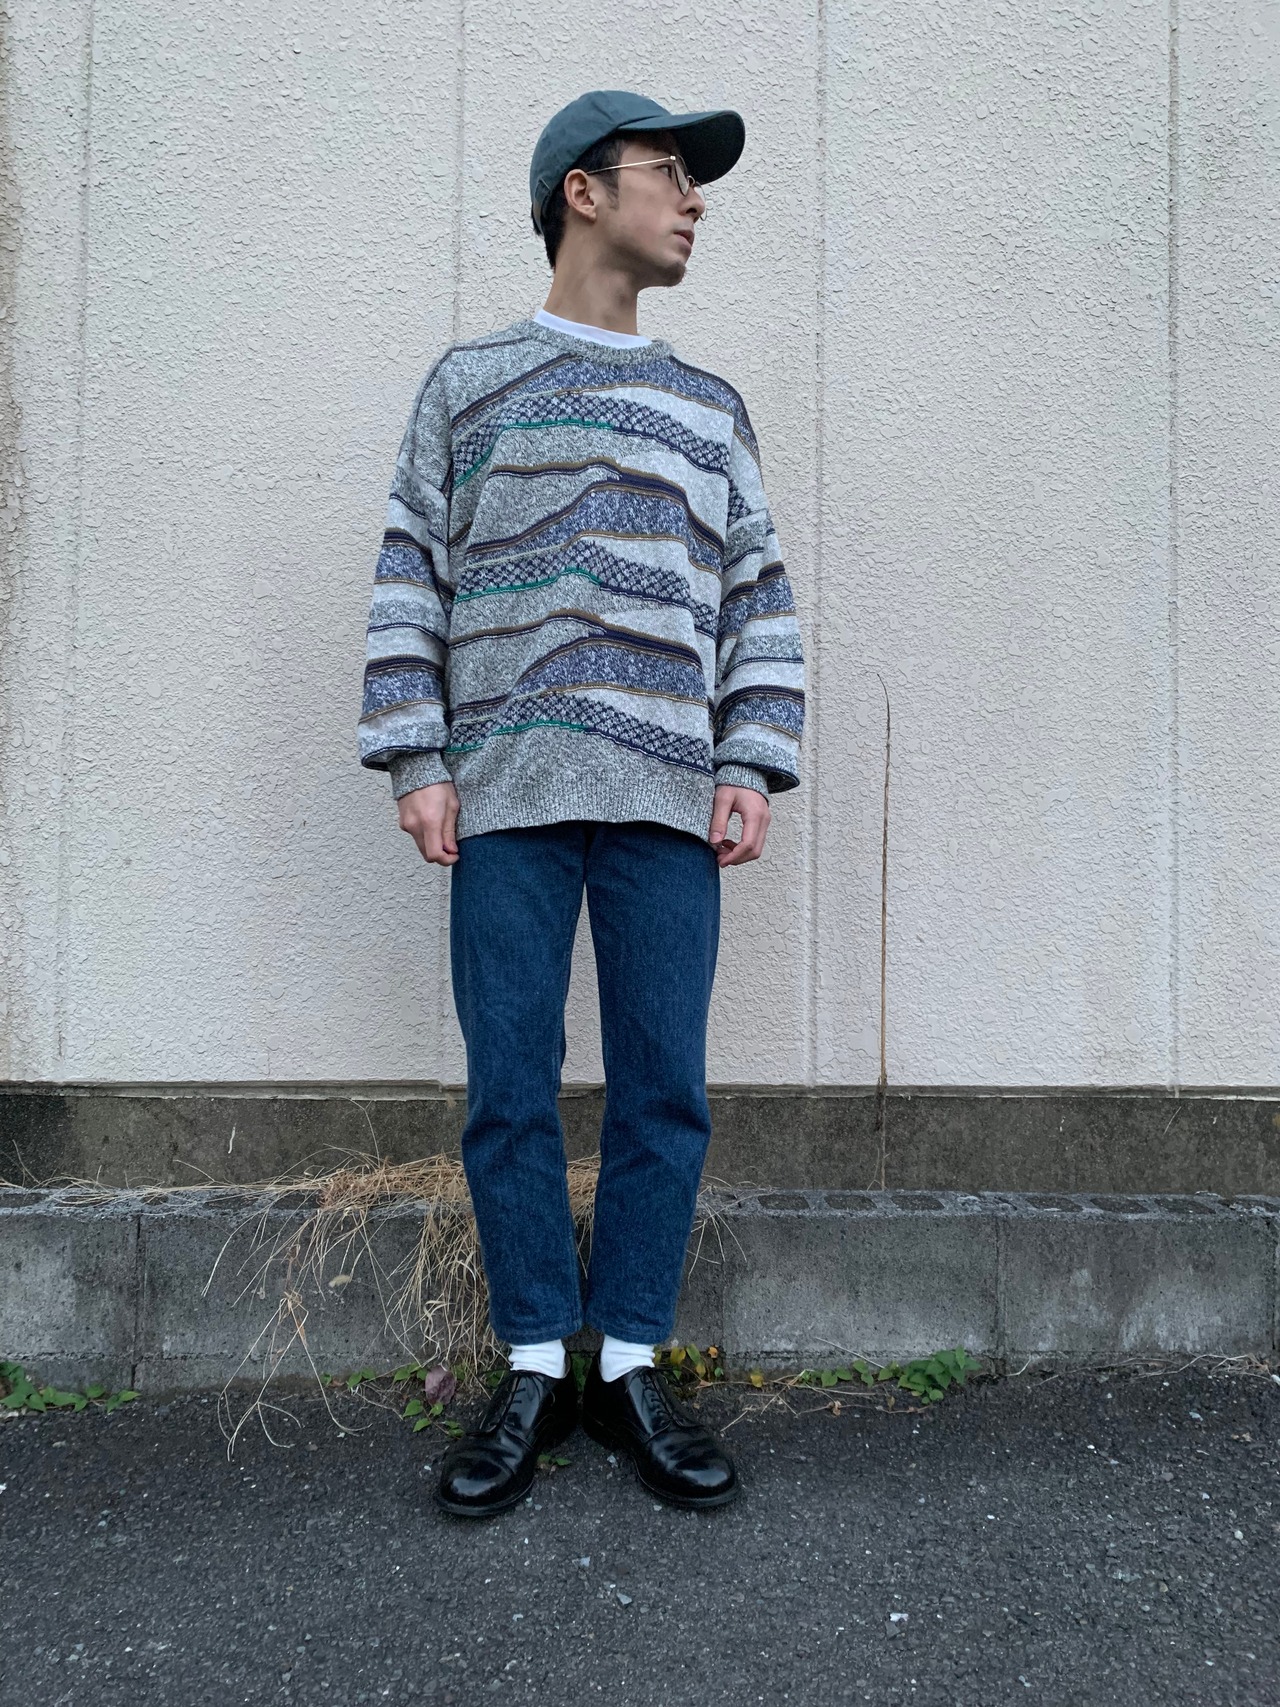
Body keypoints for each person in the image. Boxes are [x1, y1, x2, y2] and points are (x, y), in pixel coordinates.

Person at [356, 89, 806, 1518]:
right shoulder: (468, 386)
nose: (695, 200)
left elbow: (757, 597)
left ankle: (630, 1364)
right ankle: (538, 1363)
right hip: (507, 800)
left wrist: (750, 757)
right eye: (670, 173)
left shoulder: (708, 407)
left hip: (668, 801)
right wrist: (419, 759)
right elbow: (411, 575)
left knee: (665, 1092)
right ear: (582, 192)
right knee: (509, 1092)